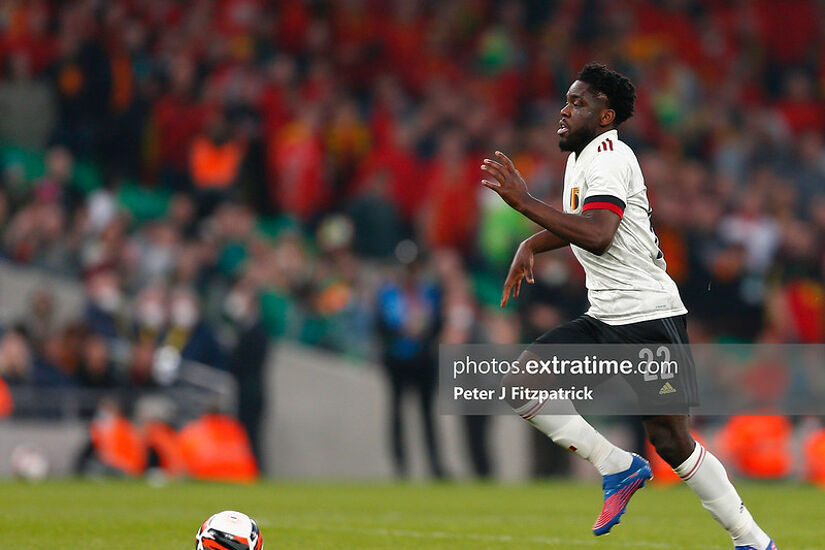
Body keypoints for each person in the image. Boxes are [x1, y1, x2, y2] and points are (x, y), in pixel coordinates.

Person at [480, 63, 776, 550]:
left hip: (648, 318)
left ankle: (753, 540)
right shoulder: (581, 159)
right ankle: (617, 465)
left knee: (675, 445)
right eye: (566, 99)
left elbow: (598, 235)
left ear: (605, 116)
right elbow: (586, 220)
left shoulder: (611, 155)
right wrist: (533, 242)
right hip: (605, 317)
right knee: (521, 381)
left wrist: (524, 202)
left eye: (578, 103)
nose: (565, 109)